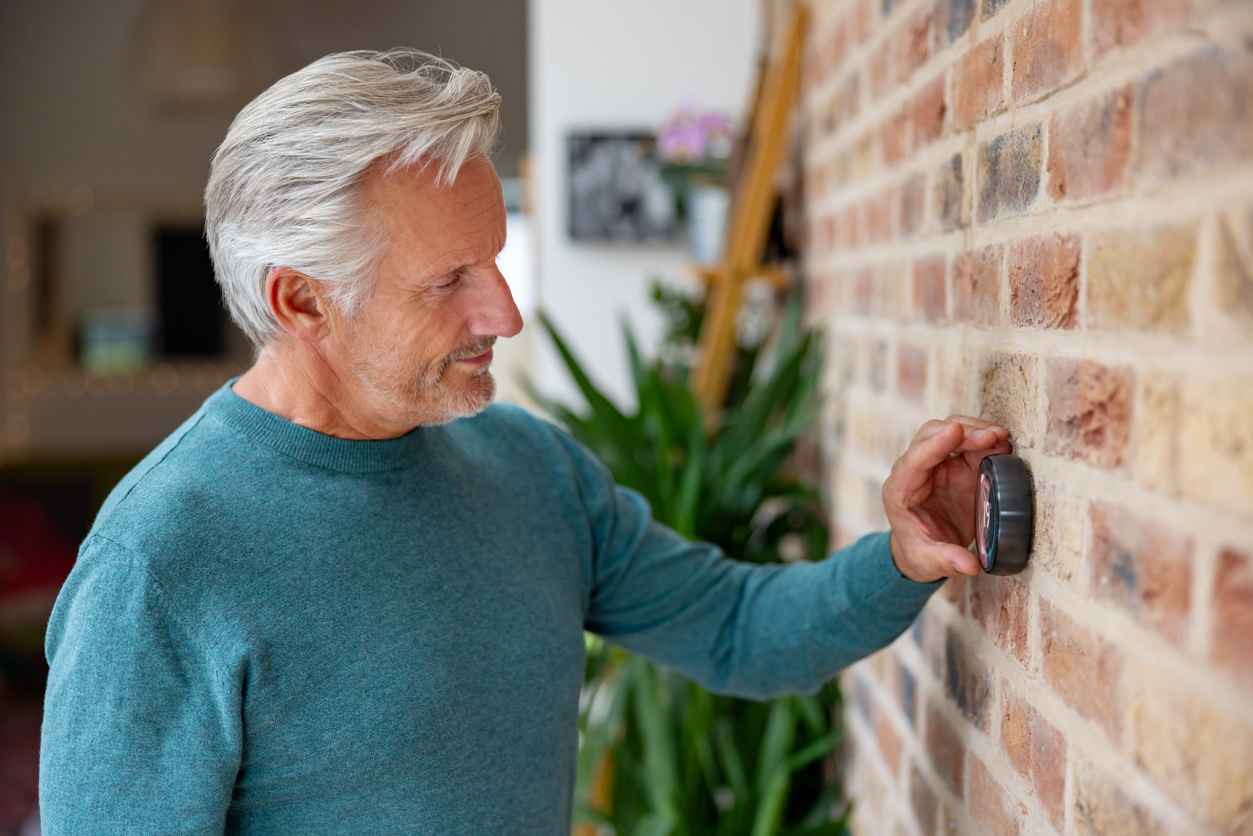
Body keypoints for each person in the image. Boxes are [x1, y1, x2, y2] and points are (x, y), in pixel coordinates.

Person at [38, 49, 1012, 835]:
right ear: (302, 301)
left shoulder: (529, 467)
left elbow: (735, 628)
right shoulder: (160, 560)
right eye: (448, 279)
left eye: (496, 259)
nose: (502, 313)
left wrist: (898, 554)